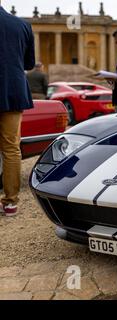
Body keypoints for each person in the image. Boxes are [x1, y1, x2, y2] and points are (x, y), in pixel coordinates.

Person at [0, 4, 35, 217]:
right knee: (11, 148)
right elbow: (29, 63)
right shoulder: (22, 25)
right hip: (13, 91)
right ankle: (11, 202)